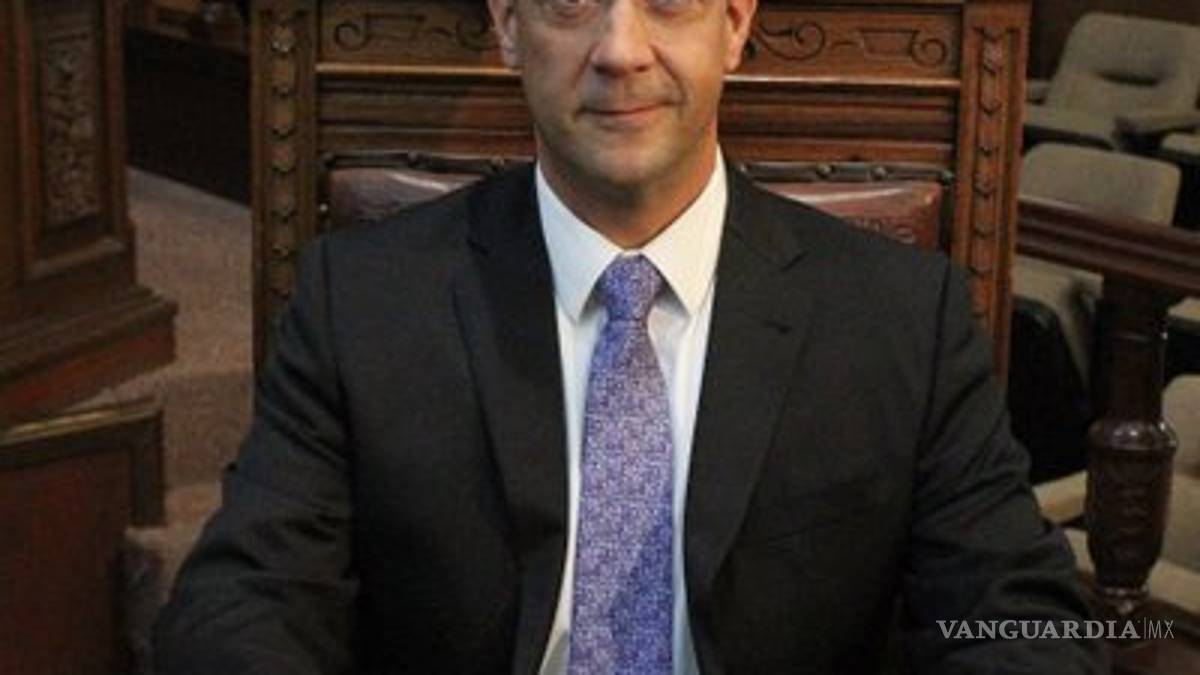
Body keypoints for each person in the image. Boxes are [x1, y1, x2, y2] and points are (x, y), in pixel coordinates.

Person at [155, 0, 1107, 672]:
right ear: (507, 25)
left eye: (669, 2)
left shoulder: (898, 315)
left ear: (734, 22)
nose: (620, 49)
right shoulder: (364, 299)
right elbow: (242, 602)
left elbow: (1020, 616)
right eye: (572, 3)